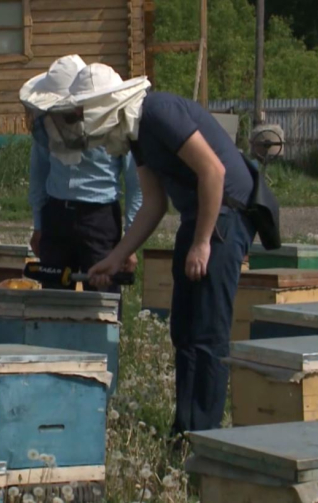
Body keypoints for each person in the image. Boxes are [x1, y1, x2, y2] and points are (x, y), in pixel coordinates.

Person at [73, 69, 257, 436]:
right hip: (200, 214)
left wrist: (203, 242)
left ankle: (203, 435)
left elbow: (214, 172)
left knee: (207, 332)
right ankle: (184, 430)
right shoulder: (138, 133)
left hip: (226, 213)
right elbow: (154, 203)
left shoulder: (157, 112)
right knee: (184, 330)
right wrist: (117, 254)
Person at [20, 56, 142, 295]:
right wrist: (39, 224)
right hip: (56, 215)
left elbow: (134, 182)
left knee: (102, 299)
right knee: (53, 299)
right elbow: (39, 174)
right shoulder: (49, 123)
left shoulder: (116, 121)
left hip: (100, 217)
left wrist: (130, 241)